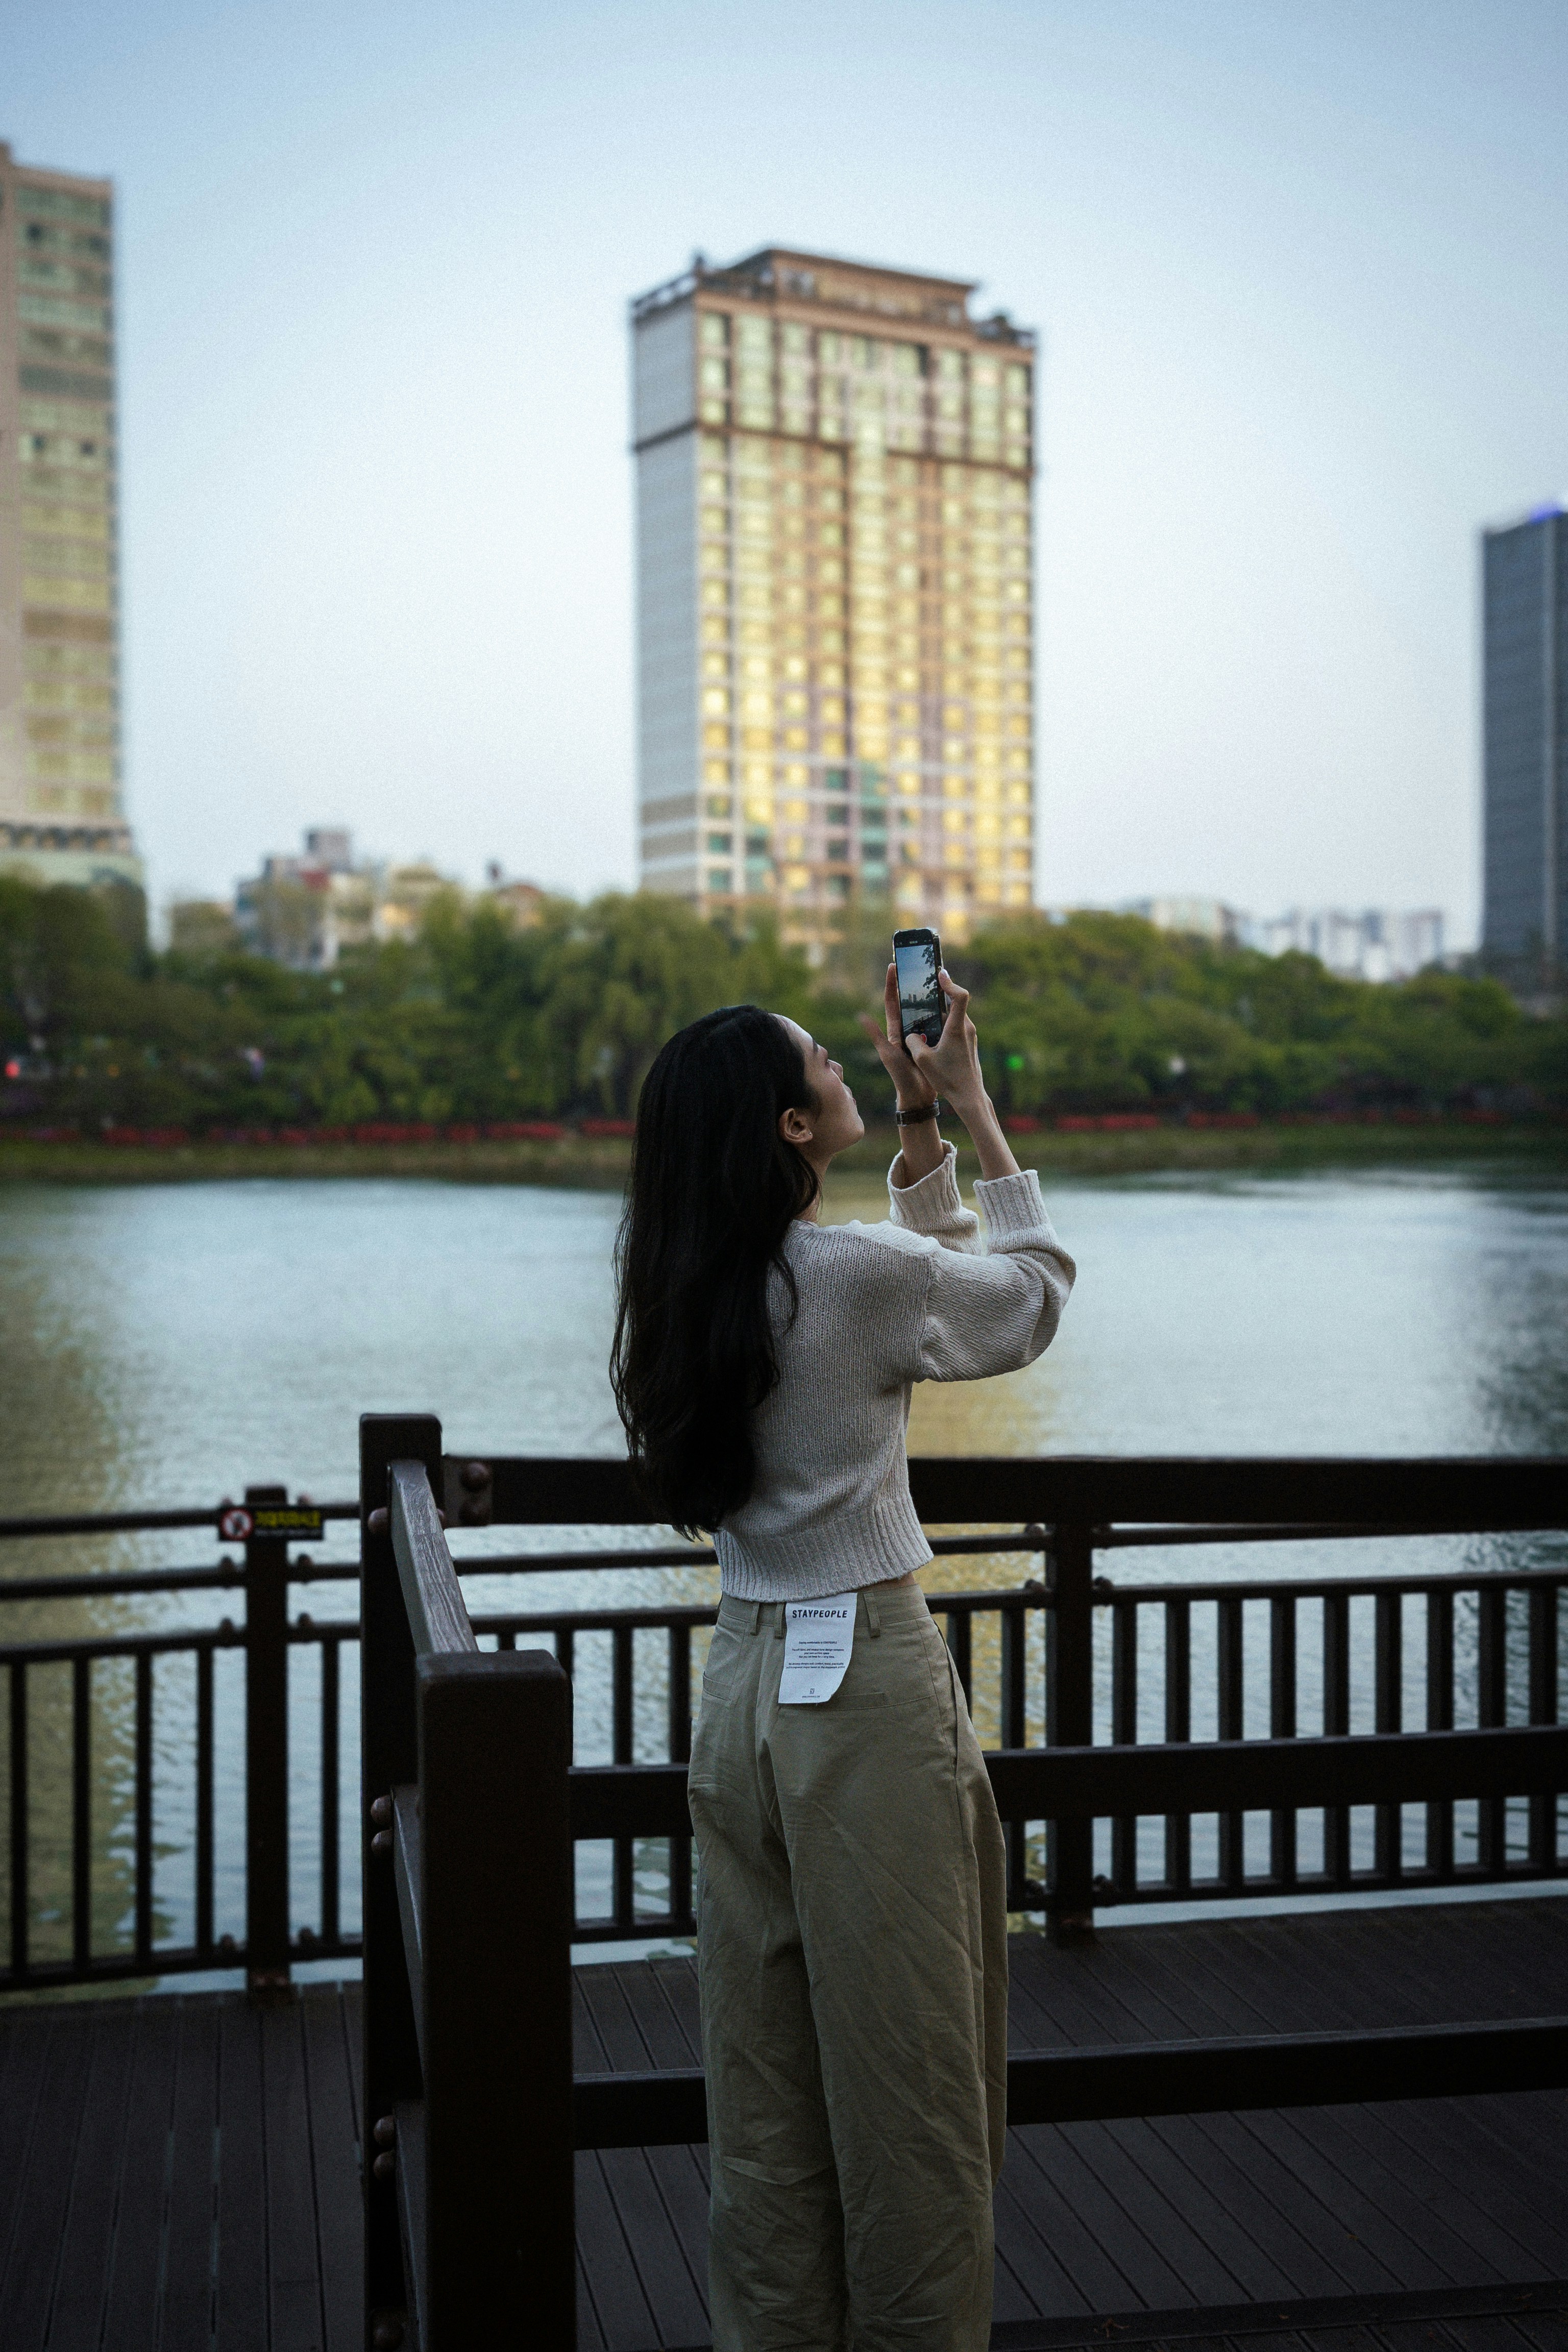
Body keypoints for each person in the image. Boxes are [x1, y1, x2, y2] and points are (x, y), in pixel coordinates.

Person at [611, 965, 1075, 2352]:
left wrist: (915, 1137)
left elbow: (917, 1297)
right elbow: (1025, 1299)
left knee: (766, 2097)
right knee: (911, 2096)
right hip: (861, 1691)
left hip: (742, 1686)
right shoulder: (851, 1278)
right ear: (793, 1129)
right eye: (825, 1060)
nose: (844, 1064)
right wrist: (975, 1105)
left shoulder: (693, 1284)